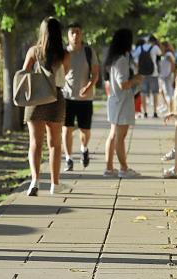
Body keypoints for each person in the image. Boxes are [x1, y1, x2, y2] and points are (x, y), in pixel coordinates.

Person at [23, 17, 71, 196]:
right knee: (55, 144)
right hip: (55, 98)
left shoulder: (34, 51)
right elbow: (65, 74)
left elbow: (24, 73)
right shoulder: (64, 55)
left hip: (35, 99)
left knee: (35, 143)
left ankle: (35, 180)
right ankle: (54, 184)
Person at [103, 28, 144, 178]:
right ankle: (123, 168)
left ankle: (109, 168)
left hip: (115, 100)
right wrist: (136, 80)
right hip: (122, 101)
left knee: (113, 135)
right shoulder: (121, 60)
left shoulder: (115, 58)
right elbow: (123, 84)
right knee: (120, 137)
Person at [62, 22, 99, 171]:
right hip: (67, 97)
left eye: (78, 32)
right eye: (72, 33)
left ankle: (84, 149)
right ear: (68, 35)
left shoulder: (89, 52)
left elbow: (96, 73)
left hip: (85, 98)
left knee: (85, 131)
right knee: (67, 129)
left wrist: (88, 86)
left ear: (82, 34)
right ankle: (68, 159)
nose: (75, 35)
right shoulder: (64, 53)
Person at [133, 35, 162, 118]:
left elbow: (134, 57)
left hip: (142, 74)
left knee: (143, 93)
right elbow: (161, 53)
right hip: (154, 73)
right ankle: (155, 112)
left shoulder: (140, 48)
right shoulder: (155, 47)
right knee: (155, 93)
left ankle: (145, 112)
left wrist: (138, 67)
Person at [158, 41, 176, 112]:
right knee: (166, 93)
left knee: (168, 93)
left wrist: (170, 73)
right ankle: (169, 108)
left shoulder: (168, 54)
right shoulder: (166, 54)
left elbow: (173, 64)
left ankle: (170, 110)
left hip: (167, 76)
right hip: (164, 76)